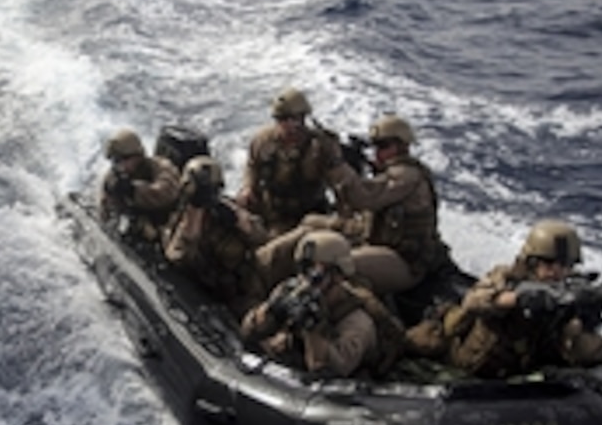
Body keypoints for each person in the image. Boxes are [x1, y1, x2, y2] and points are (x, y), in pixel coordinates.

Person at [255, 113, 450, 297]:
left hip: (404, 260)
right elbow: (358, 210)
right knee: (311, 224)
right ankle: (258, 271)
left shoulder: (407, 176)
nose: (378, 153)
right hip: (375, 239)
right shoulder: (389, 173)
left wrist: (339, 163)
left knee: (336, 262)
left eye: (383, 146)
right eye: (375, 146)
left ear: (402, 146)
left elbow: (365, 200)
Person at [441, 219, 602, 379]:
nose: (557, 272)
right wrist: (519, 299)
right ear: (532, 261)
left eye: (565, 265)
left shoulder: (567, 287)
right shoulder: (506, 276)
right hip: (477, 365)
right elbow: (473, 302)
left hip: (530, 364)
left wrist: (587, 314)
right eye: (549, 264)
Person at [240, 230, 405, 378]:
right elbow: (248, 334)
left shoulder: (357, 321)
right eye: (305, 270)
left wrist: (312, 328)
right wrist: (271, 312)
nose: (306, 281)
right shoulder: (291, 290)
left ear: (338, 276)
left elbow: (325, 372)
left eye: (317, 274)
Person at [164, 155, 269, 318]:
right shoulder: (182, 217)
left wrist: (237, 221)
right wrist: (195, 214)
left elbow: (261, 237)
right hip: (202, 288)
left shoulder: (228, 210)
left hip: (237, 292)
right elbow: (178, 258)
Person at [235, 87, 343, 237]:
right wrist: (248, 188)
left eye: (294, 119)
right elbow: (252, 166)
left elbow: (339, 183)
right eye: (283, 119)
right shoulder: (262, 141)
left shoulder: (321, 146)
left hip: (309, 216)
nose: (289, 125)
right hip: (272, 213)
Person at [99, 129, 180, 245]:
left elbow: (166, 193)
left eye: (123, 159)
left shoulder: (161, 167)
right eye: (115, 161)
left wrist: (133, 190)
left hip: (167, 223)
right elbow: (105, 206)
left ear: (138, 156)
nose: (119, 166)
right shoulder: (115, 177)